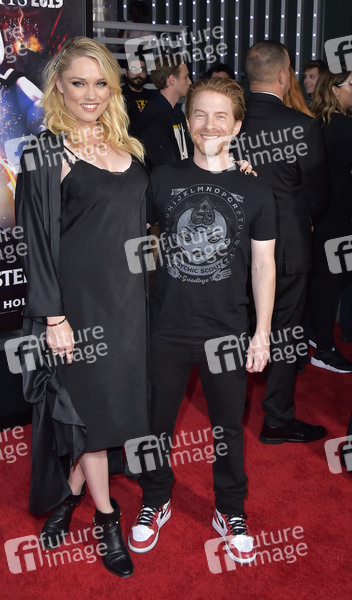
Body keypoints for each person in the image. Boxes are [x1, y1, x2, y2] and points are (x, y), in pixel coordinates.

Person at [14, 37, 150, 578]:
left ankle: (69, 497)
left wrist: (234, 168)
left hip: (130, 303)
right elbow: (35, 243)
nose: (90, 94)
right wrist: (54, 317)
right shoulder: (45, 153)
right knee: (90, 412)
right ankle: (107, 519)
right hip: (79, 307)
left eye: (101, 83)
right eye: (78, 83)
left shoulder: (127, 144)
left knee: (116, 409)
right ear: (58, 87)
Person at [128, 77, 276, 565]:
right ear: (187, 121)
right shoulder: (162, 179)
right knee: (155, 426)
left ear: (236, 126)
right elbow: (130, 236)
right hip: (166, 326)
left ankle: (230, 509)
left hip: (226, 331)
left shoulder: (256, 189)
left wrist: (261, 334)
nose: (209, 125)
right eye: (200, 115)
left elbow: (263, 266)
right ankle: (155, 498)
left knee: (228, 428)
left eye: (220, 116)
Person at [240, 41, 329, 444]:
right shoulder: (302, 125)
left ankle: (231, 409)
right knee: (286, 329)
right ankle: (276, 418)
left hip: (237, 243)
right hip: (288, 243)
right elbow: (319, 192)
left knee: (236, 323)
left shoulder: (229, 119)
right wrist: (305, 220)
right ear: (283, 75)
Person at [309, 68, 352, 372]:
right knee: (331, 280)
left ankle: (316, 333)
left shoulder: (317, 124)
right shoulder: (343, 127)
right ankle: (323, 348)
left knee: (325, 279)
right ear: (335, 90)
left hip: (322, 216)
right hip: (338, 217)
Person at [136, 53, 193, 170]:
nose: (190, 82)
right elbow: (162, 164)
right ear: (172, 80)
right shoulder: (154, 117)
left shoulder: (176, 113)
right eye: (186, 77)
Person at [121, 55, 156, 135]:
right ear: (126, 72)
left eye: (142, 69)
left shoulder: (153, 97)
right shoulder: (118, 97)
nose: (138, 73)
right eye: (134, 69)